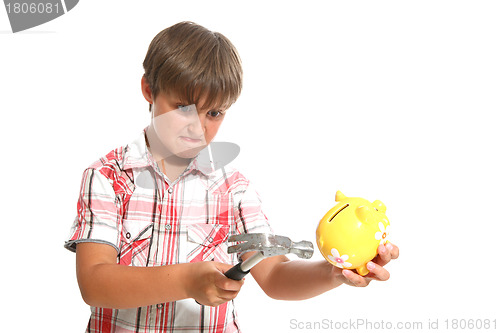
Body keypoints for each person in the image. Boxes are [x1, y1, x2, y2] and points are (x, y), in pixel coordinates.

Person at [65, 21, 399, 333]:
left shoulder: (233, 189)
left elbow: (276, 277)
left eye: (214, 113)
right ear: (149, 90)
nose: (198, 126)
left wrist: (334, 273)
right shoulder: (108, 177)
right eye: (183, 107)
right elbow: (95, 285)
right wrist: (187, 281)